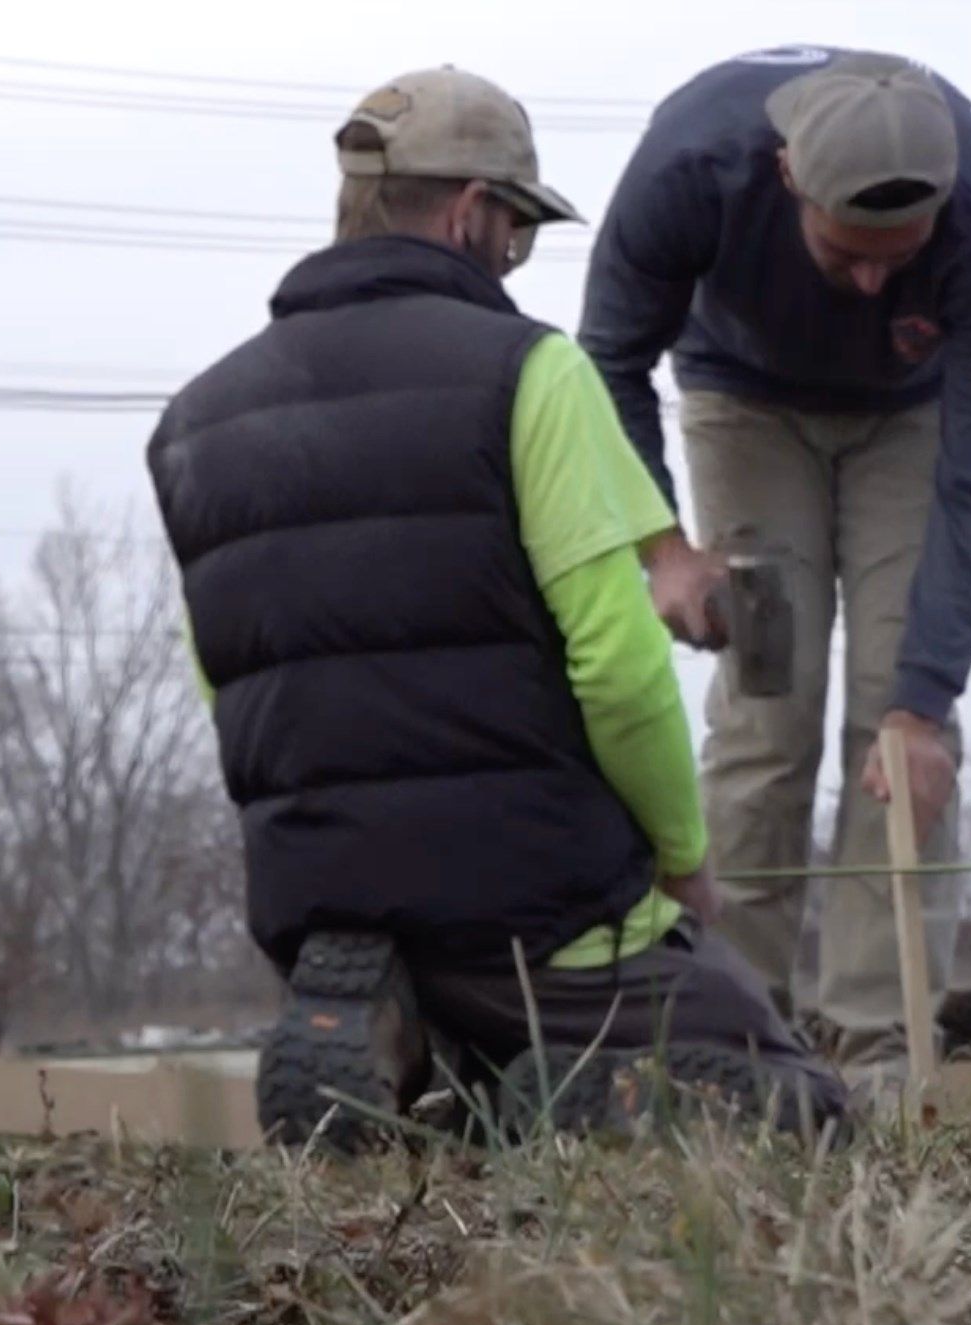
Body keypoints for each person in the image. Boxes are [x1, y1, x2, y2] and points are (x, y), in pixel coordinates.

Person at [144, 65, 850, 1151]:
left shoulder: (195, 422)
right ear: (471, 212)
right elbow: (618, 666)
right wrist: (679, 859)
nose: (513, 255)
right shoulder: (529, 372)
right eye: (517, 231)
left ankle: (415, 1046)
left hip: (319, 901)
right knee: (798, 1108)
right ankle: (553, 1103)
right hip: (545, 911)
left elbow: (223, 685)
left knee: (473, 1081)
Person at [577, 46, 971, 1083]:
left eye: (901, 255)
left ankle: (879, 1047)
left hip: (912, 419)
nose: (875, 282)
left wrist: (924, 700)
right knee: (767, 704)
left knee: (899, 723)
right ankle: (729, 1036)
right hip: (742, 402)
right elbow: (605, 363)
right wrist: (660, 546)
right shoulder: (690, 168)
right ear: (788, 176)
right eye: (848, 253)